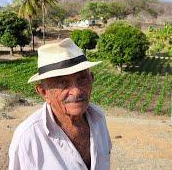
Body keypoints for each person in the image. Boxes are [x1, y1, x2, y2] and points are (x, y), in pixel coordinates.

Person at [9, 38, 112, 170]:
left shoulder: (99, 119)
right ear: (43, 92)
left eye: (82, 78)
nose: (76, 91)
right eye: (62, 82)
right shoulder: (28, 138)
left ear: (92, 80)